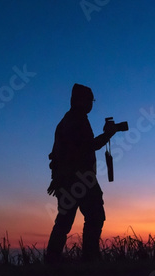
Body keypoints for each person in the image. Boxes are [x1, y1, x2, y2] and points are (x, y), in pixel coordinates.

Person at [45, 83, 117, 263]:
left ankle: (53, 260)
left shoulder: (69, 120)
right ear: (80, 100)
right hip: (79, 178)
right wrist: (107, 135)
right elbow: (86, 147)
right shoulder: (76, 120)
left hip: (69, 178)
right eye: (89, 100)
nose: (92, 104)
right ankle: (89, 258)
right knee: (94, 216)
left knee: (65, 220)